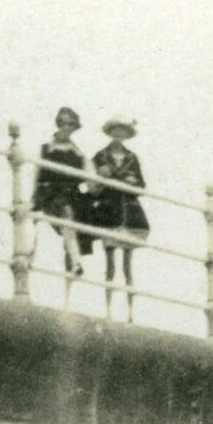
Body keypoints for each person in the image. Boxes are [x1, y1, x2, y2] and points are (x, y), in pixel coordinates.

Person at [87, 118, 150, 316]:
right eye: (116, 131)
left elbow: (141, 186)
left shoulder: (132, 158)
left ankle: (130, 313)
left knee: (128, 266)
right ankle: (108, 311)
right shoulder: (100, 156)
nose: (119, 135)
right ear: (111, 133)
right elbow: (92, 186)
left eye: (123, 132)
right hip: (109, 211)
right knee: (110, 265)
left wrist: (131, 183)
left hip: (130, 213)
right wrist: (101, 178)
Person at [33, 107, 92, 286]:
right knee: (38, 220)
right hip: (49, 195)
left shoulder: (77, 153)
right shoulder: (46, 149)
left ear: (74, 127)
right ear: (58, 124)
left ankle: (74, 265)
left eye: (70, 124)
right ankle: (75, 262)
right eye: (63, 123)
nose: (66, 127)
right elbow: (36, 176)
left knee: (71, 218)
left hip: (70, 196)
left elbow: (91, 177)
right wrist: (33, 199)